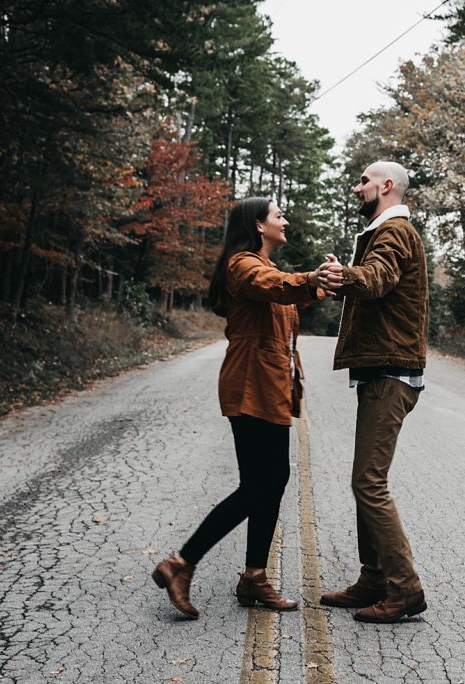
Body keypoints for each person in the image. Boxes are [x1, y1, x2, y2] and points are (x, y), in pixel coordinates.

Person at [152, 197, 324, 619]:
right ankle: (181, 563)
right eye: (278, 215)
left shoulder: (265, 269)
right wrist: (311, 278)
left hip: (270, 387)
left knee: (270, 478)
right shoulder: (242, 265)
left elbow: (291, 293)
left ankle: (253, 577)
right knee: (258, 485)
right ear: (257, 225)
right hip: (251, 385)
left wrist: (325, 281)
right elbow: (278, 287)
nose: (286, 219)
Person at [315, 160, 430, 623]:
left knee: (368, 482)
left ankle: (405, 588)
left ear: (386, 186)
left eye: (364, 180)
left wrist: (343, 274)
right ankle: (373, 580)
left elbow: (378, 279)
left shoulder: (395, 230)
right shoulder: (384, 230)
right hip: (382, 370)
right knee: (366, 480)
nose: (356, 186)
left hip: (392, 373)